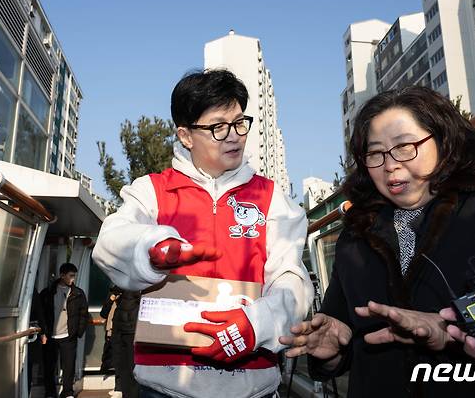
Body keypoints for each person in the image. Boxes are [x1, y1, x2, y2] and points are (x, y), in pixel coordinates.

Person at [280, 86, 475, 397]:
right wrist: (331, 352)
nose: (390, 164)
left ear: (444, 141)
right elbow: (343, 332)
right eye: (376, 153)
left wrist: (449, 329)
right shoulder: (355, 235)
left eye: (405, 146)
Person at [92, 69, 313, 398]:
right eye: (218, 127)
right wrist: (152, 249)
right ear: (185, 135)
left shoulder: (272, 198)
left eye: (240, 123)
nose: (235, 136)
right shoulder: (152, 190)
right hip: (164, 388)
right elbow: (110, 242)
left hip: (252, 388)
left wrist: (255, 326)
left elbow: (291, 279)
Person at [40, 263, 91, 398]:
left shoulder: (78, 293)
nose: (73, 279)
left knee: (69, 367)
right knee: (49, 367)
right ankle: (50, 393)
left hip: (69, 336)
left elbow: (83, 313)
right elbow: (42, 313)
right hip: (50, 337)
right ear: (62, 275)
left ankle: (68, 392)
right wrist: (43, 332)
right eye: (71, 276)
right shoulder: (48, 292)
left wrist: (77, 332)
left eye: (74, 276)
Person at [110, 289, 141, 398]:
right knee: (130, 367)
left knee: (126, 368)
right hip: (128, 330)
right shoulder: (136, 291)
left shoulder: (124, 292)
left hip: (126, 330)